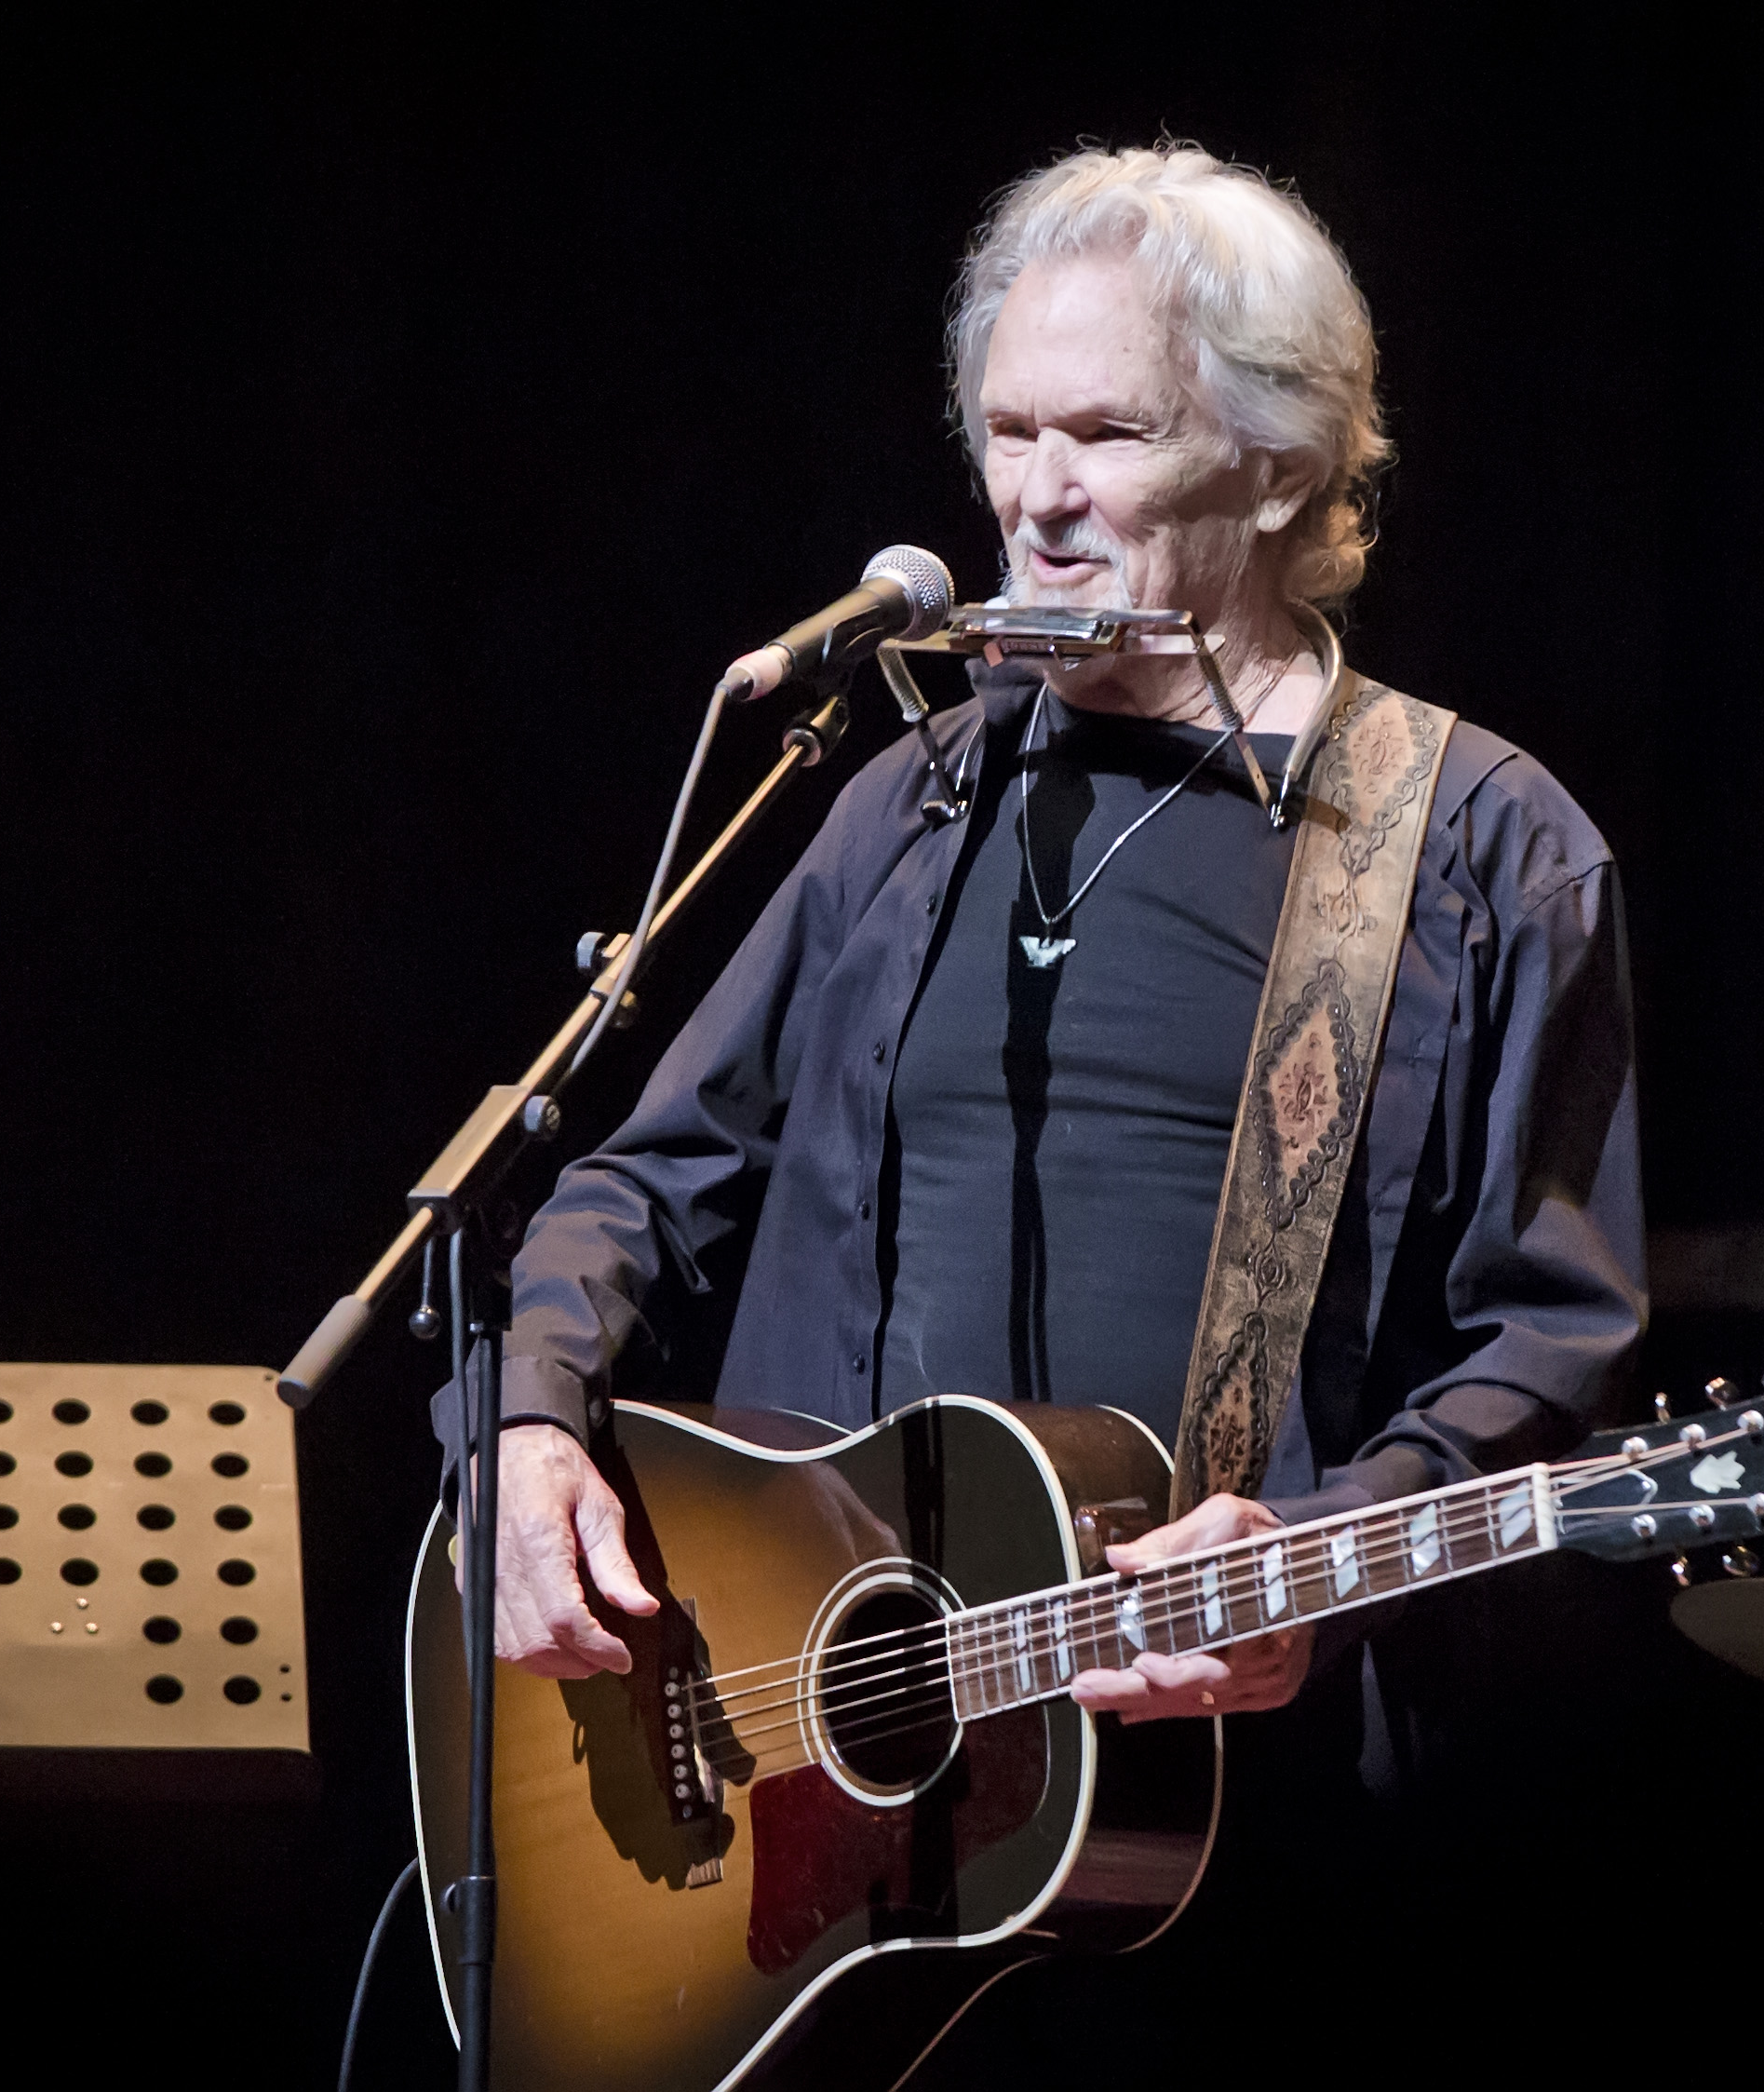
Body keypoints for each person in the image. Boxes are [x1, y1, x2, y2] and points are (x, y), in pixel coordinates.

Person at [436, 144, 1642, 1748]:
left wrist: (1324, 1556)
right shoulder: (918, 796)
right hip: (817, 1759)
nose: (1038, 498)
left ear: (1278, 469)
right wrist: (528, 1422)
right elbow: (650, 1182)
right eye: (1010, 433)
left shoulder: (1479, 846)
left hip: (1215, 1788)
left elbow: (1554, 1341)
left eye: (1107, 436)